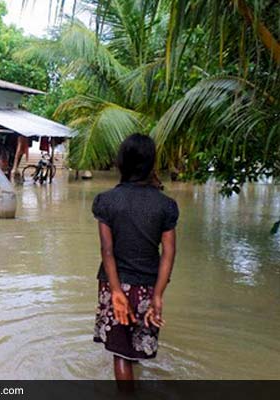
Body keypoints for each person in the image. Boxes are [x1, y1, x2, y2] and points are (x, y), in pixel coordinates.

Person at [91, 133, 179, 383]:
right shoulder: (166, 205)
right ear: (151, 164)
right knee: (135, 347)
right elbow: (169, 253)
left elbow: (107, 250)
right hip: (149, 285)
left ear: (121, 163)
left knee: (120, 354)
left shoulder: (106, 201)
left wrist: (117, 292)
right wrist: (158, 295)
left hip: (114, 283)